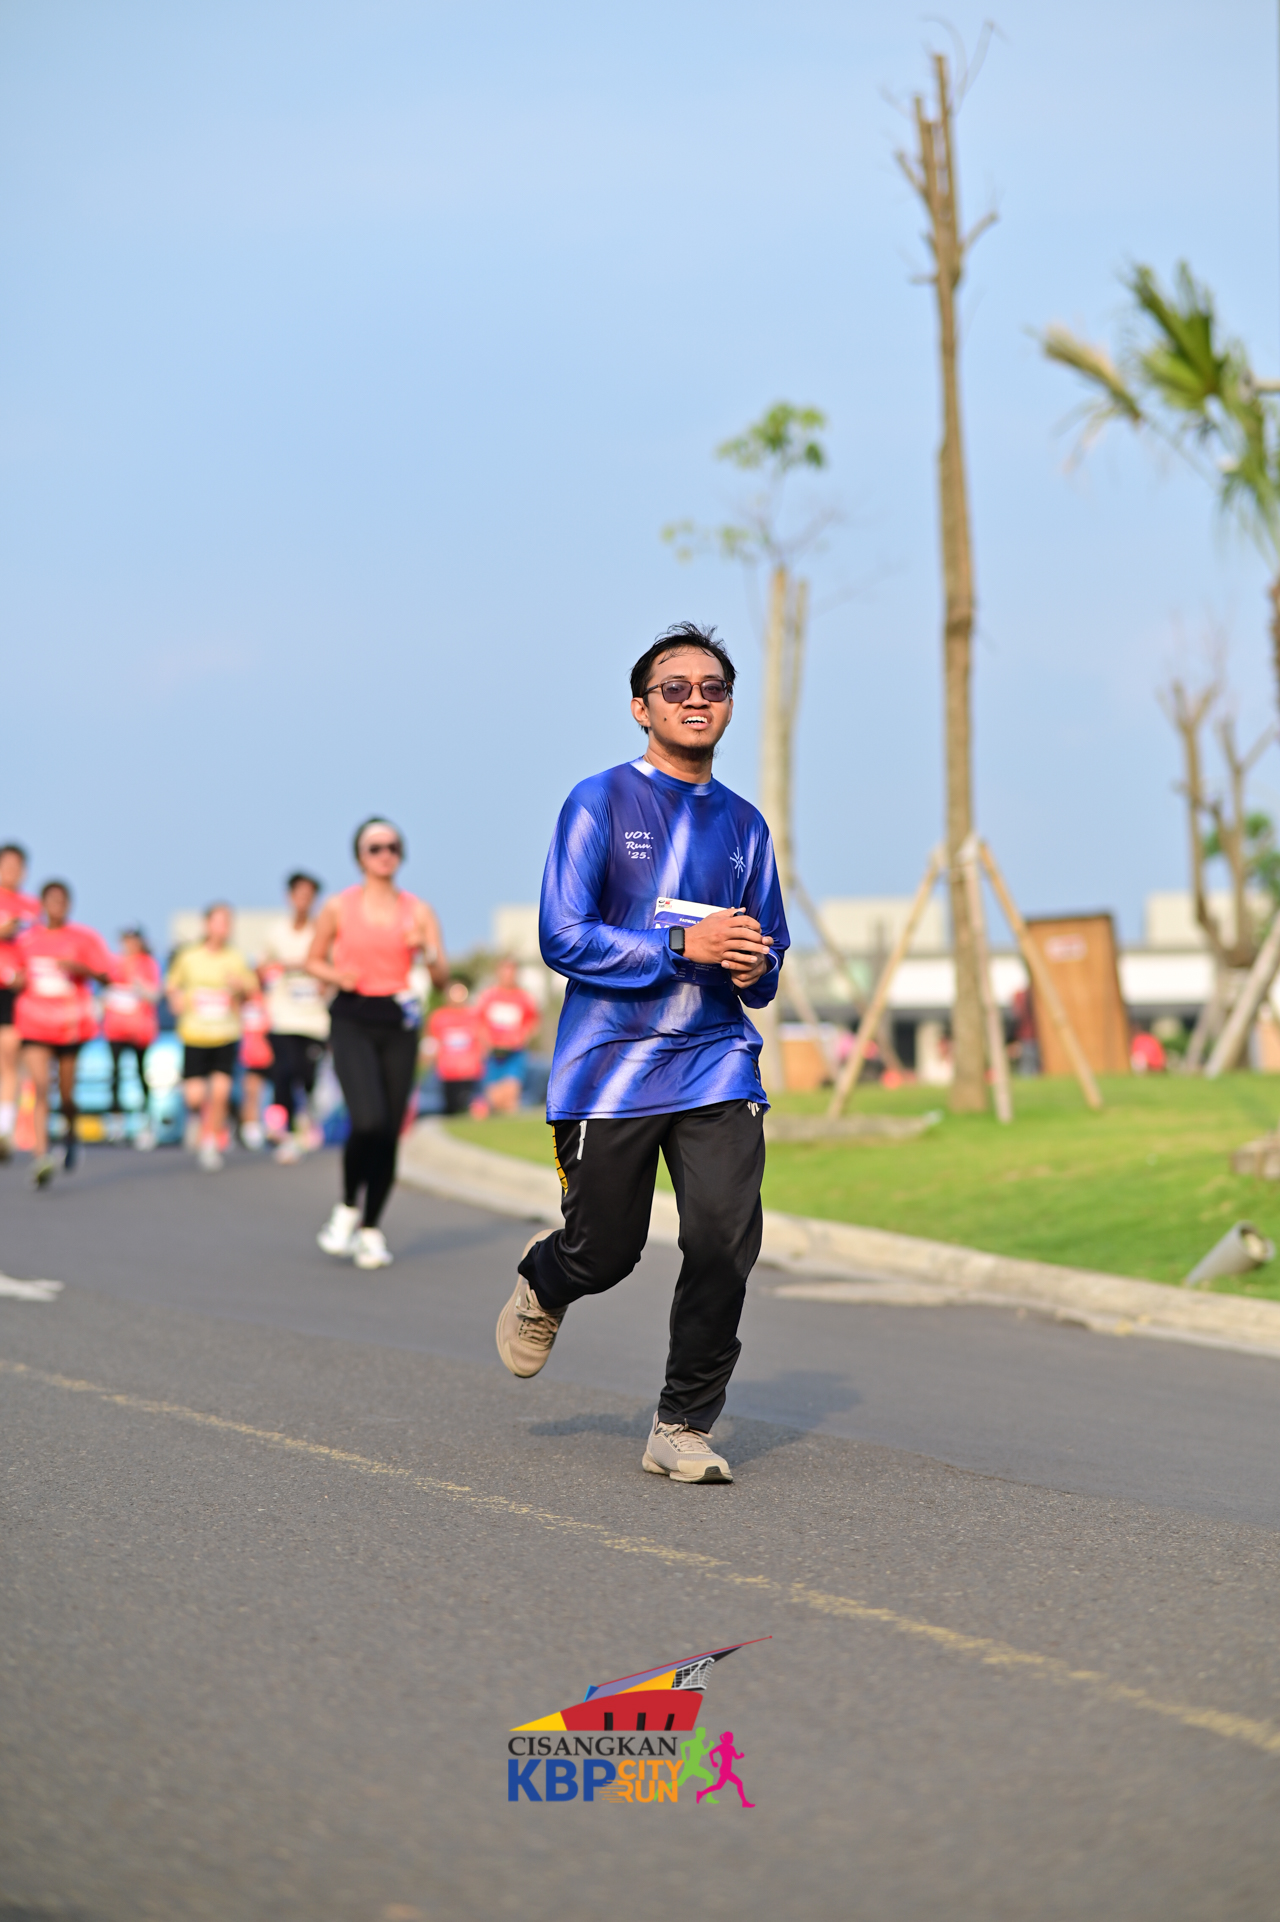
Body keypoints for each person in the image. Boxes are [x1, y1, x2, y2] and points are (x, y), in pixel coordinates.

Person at [495, 622, 788, 1485]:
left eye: (713, 688)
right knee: (606, 1251)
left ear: (729, 706)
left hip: (716, 1060)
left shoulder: (745, 825)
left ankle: (683, 1423)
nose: (697, 700)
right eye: (676, 688)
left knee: (723, 1239)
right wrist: (680, 947)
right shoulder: (599, 802)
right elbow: (563, 935)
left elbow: (769, 957)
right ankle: (548, 1280)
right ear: (641, 708)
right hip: (610, 1069)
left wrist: (755, 963)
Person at [307, 819, 448, 1270]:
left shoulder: (418, 911)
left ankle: (370, 1229)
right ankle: (348, 1205)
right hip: (352, 1016)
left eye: (392, 847)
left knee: (389, 1130)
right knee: (366, 1120)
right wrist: (337, 975)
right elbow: (312, 960)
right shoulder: (338, 906)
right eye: (375, 848)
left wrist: (426, 949)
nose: (385, 854)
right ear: (360, 857)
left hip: (398, 1021)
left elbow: (442, 978)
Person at [13, 881, 113, 1187]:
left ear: (69, 905)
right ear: (42, 904)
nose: (57, 906)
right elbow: (13, 974)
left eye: (62, 901)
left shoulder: (84, 939)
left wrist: (81, 969)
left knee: (66, 1094)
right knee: (41, 1086)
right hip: (33, 1024)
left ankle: (70, 1134)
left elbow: (106, 977)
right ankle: (42, 1156)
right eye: (51, 900)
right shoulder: (26, 940)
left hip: (70, 1027)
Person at [166, 904, 256, 1173]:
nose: (224, 928)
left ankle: (210, 1141)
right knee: (195, 1096)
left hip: (225, 1032)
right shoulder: (189, 956)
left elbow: (251, 989)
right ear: (207, 924)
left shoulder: (236, 957)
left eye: (228, 922)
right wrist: (176, 999)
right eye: (219, 922)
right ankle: (199, 1119)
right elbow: (172, 985)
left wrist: (240, 987)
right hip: (195, 1033)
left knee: (220, 1092)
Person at [258, 871, 329, 1164]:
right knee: (284, 1072)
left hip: (314, 1020)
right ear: (289, 897)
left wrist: (324, 981)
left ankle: (306, 1115)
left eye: (309, 895)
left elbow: (334, 967)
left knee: (306, 1074)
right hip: (283, 1016)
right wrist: (278, 970)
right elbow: (262, 968)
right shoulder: (276, 933)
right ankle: (282, 1129)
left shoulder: (322, 932)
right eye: (299, 894)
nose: (303, 900)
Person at [0, 842, 40, 1161]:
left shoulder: (32, 907)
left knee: (11, 1056)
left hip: (17, 991)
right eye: (7, 865)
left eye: (17, 867)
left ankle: (6, 1129)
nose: (12, 872)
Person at [103, 927, 160, 1149]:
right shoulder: (114, 962)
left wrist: (139, 984)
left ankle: (145, 1123)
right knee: (115, 1074)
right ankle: (116, 1123)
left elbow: (154, 995)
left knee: (140, 1075)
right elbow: (106, 991)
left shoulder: (148, 964)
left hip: (139, 1031)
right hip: (115, 1029)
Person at [475, 957, 541, 1114]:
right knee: (495, 1099)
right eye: (505, 971)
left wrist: (522, 1037)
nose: (508, 975)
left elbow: (533, 1022)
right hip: (494, 1055)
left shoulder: (524, 997)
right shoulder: (488, 996)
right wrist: (486, 1042)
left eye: (511, 971)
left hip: (515, 1054)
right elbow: (479, 1022)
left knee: (511, 1097)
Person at [426, 979, 490, 1115]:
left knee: (471, 1108)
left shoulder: (474, 1015)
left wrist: (482, 1058)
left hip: (470, 1072)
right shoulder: (439, 1017)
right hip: (447, 1072)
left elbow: (483, 1040)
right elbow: (432, 1044)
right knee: (451, 1109)